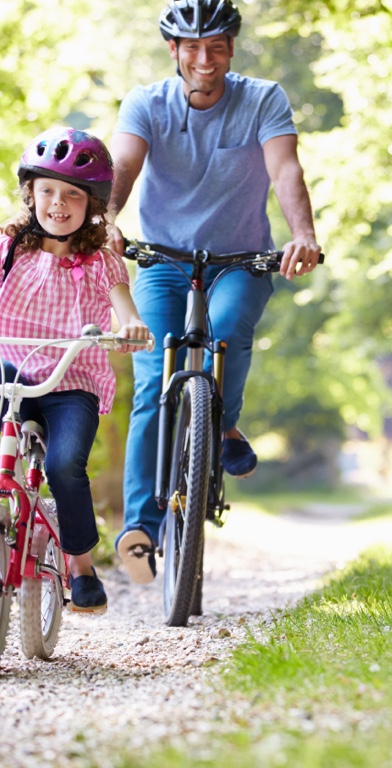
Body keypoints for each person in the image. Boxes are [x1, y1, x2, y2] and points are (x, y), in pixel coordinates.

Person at [108, 0, 321, 584]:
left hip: (241, 260)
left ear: (232, 47)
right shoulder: (146, 103)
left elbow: (285, 171)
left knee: (227, 332)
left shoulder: (262, 98)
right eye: (193, 48)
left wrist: (302, 234)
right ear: (173, 51)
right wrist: (106, 219)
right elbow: (123, 166)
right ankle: (140, 530)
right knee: (153, 378)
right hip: (162, 260)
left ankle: (221, 422)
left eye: (218, 46)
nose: (206, 59)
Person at [0, 127, 150, 613]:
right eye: (47, 191)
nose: (57, 203)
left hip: (72, 383)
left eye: (71, 194)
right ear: (31, 194)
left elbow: (123, 307)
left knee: (66, 464)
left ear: (92, 204)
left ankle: (80, 567)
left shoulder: (101, 260)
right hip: (12, 370)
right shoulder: (9, 248)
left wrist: (132, 326)